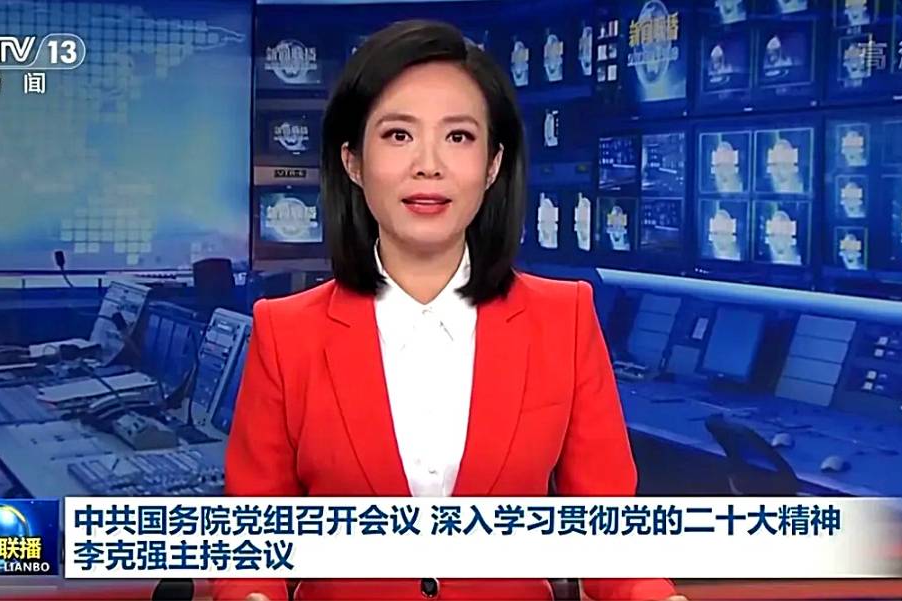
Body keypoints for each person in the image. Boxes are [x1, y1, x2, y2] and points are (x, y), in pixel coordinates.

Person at [215, 20, 686, 601]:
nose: (429, 165)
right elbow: (249, 547)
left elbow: (610, 538)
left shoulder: (564, 319)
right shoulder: (285, 333)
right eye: (398, 135)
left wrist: (653, 595)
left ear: (492, 165)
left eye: (459, 136)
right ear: (353, 162)